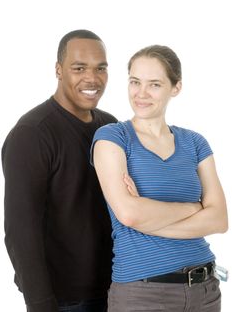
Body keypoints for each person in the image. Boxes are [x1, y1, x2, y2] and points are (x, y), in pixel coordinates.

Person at [91, 45, 228, 312]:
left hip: (206, 290)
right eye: (135, 82)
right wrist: (194, 209)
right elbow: (129, 215)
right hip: (143, 293)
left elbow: (220, 220)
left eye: (154, 84)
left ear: (175, 88)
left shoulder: (195, 143)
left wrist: (147, 217)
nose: (141, 93)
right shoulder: (113, 138)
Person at [2, 29, 117, 312]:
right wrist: (40, 303)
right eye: (79, 68)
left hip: (117, 288)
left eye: (100, 68)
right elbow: (20, 230)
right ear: (58, 70)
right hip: (65, 299)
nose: (92, 78)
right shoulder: (32, 133)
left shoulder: (110, 127)